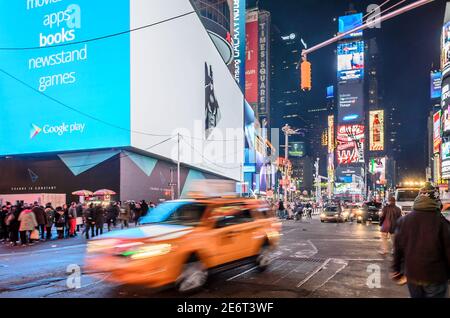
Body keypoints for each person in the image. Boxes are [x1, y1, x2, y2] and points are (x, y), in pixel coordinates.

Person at [392, 183, 450, 298]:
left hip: (413, 274)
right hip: (436, 276)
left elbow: (398, 249)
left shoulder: (404, 221)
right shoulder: (442, 223)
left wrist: (396, 269)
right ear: (436, 202)